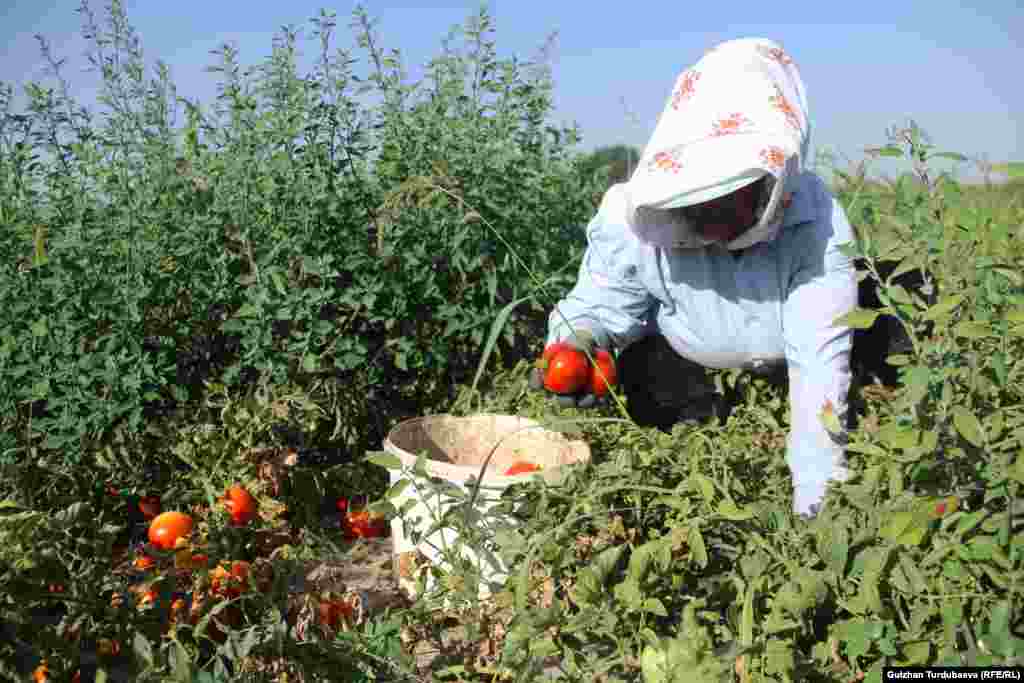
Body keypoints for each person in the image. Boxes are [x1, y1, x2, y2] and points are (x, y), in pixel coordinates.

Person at [530, 38, 861, 518]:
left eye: (734, 194)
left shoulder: (815, 226)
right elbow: (600, 302)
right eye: (701, 197)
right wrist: (580, 338)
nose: (712, 214)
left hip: (788, 376)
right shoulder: (633, 216)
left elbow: (819, 371)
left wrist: (816, 507)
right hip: (679, 374)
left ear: (774, 177)